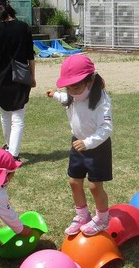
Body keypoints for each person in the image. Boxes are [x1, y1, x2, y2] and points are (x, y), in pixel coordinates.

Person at [46, 55, 113, 236]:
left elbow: (106, 129)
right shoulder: (72, 94)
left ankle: (102, 219)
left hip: (97, 147)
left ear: (90, 80)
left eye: (76, 87)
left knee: (94, 186)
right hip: (77, 144)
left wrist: (88, 142)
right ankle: (82, 215)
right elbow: (65, 98)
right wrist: (55, 95)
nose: (73, 92)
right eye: (69, 88)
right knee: (74, 182)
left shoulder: (101, 100)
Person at [0, 0, 36, 165]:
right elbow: (30, 56)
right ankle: (13, 153)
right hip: (20, 77)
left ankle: (10, 149)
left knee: (5, 114)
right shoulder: (23, 27)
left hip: (0, 78)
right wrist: (33, 76)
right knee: (18, 116)